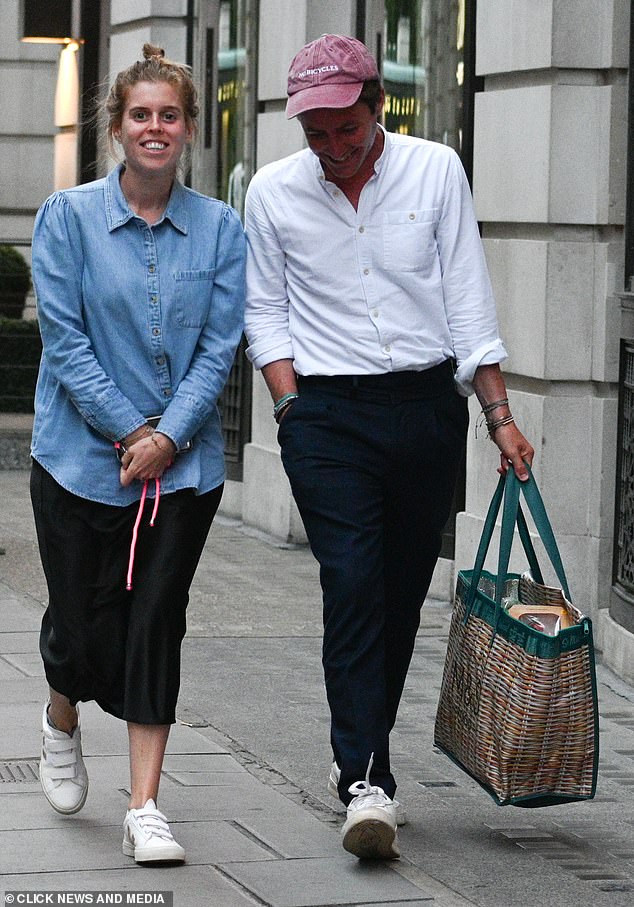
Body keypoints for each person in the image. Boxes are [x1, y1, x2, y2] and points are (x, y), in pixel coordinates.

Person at [244, 34, 534, 861]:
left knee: (402, 592)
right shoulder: (273, 194)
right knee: (352, 580)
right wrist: (291, 409)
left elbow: (468, 296)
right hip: (327, 418)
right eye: (317, 134)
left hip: (424, 409)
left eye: (346, 127)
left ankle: (368, 748)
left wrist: (499, 416)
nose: (333, 149)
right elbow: (265, 312)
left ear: (378, 105)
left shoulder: (436, 169)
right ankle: (364, 778)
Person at [30, 44, 246, 864]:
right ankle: (60, 716)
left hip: (183, 469)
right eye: (140, 115)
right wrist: (131, 432)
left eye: (170, 115)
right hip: (78, 461)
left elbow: (220, 344)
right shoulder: (69, 218)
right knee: (84, 628)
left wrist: (167, 439)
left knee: (157, 620)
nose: (156, 128)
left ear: (189, 128)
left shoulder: (222, 228)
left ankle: (146, 805)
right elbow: (67, 342)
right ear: (117, 127)